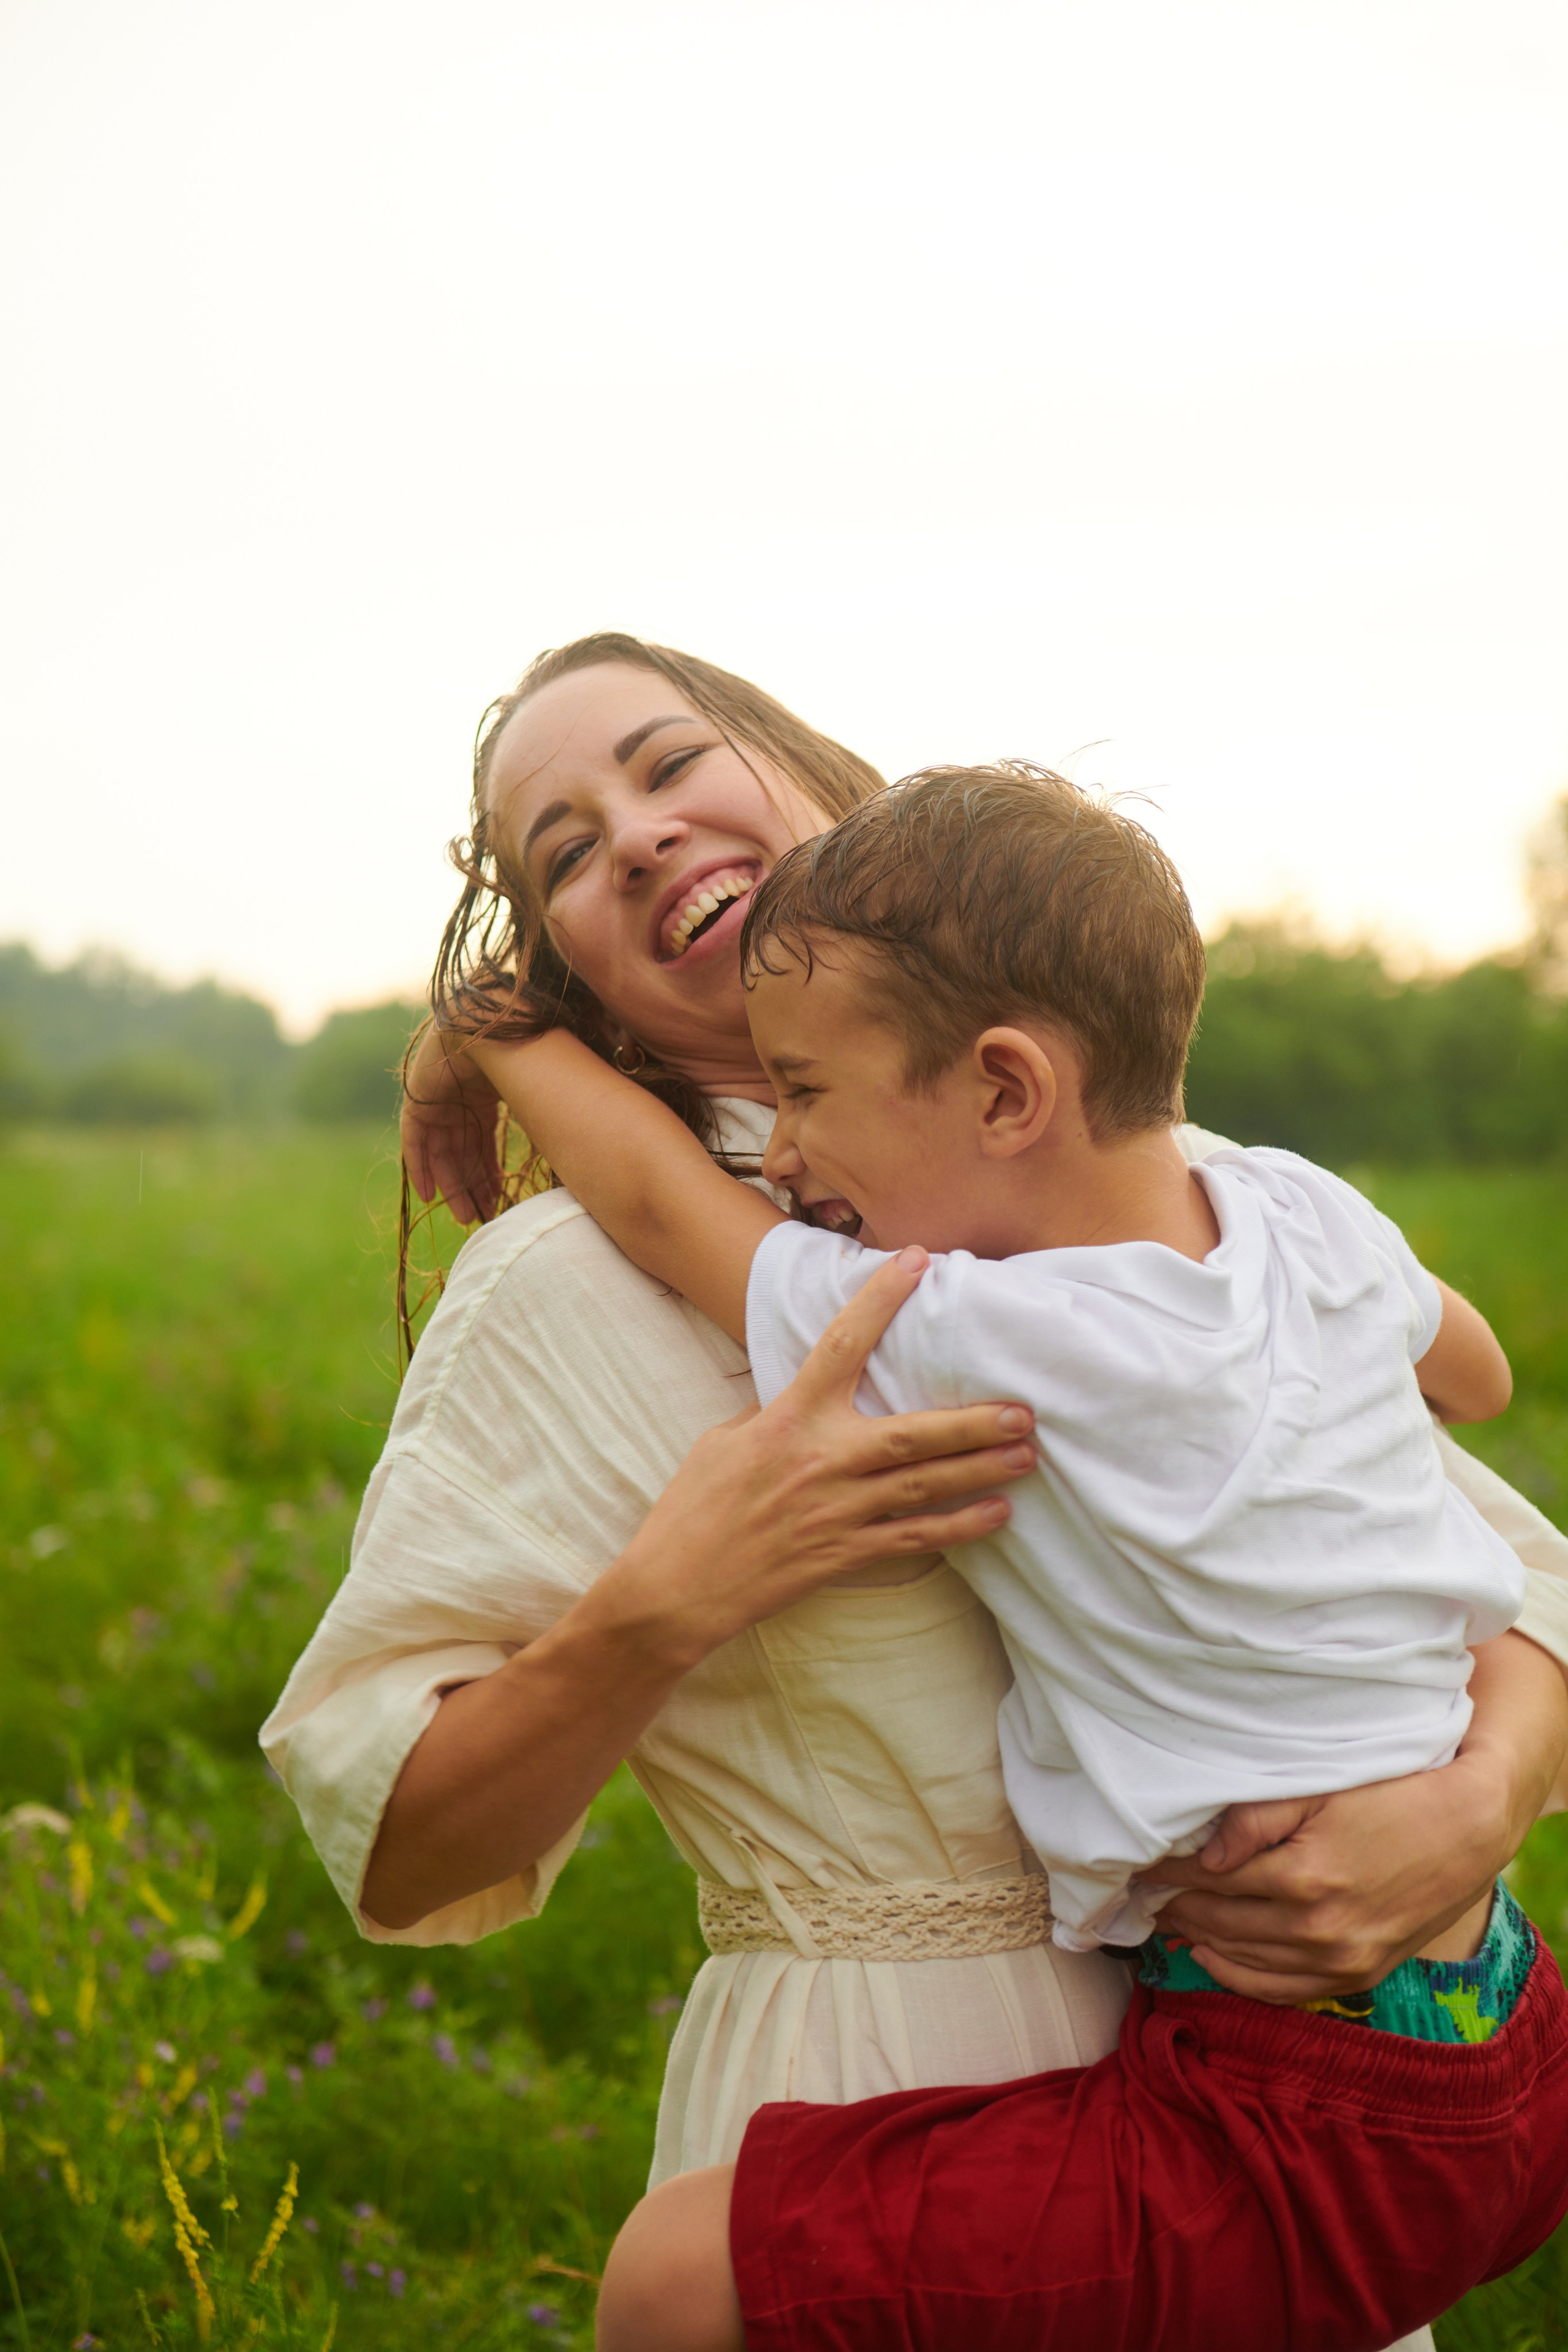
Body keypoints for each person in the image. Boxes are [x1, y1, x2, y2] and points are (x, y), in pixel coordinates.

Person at [262, 636, 1568, 2352]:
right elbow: (404, 1844)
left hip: (1270, 2085)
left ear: (807, 779)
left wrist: (1474, 1802)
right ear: (553, 959)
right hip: (881, 2078)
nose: (636, 837)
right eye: (562, 853)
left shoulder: (1134, 1191)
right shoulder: (566, 1291)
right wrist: (668, 1601)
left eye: (668, 765)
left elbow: (1505, 1575)